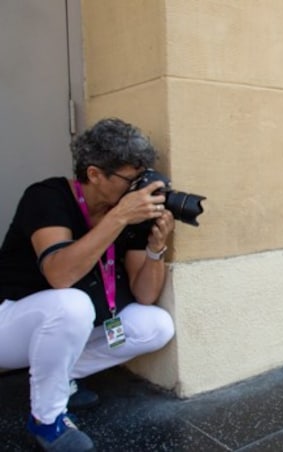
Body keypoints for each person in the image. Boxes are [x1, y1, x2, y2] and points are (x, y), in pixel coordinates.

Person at [0, 118, 176, 451]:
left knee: (156, 325)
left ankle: (54, 378)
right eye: (131, 178)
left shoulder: (128, 211)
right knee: (72, 303)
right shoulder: (46, 196)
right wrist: (119, 217)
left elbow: (145, 295)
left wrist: (156, 249)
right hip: (9, 320)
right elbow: (60, 275)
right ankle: (46, 419)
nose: (139, 187)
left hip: (62, 327)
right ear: (94, 174)